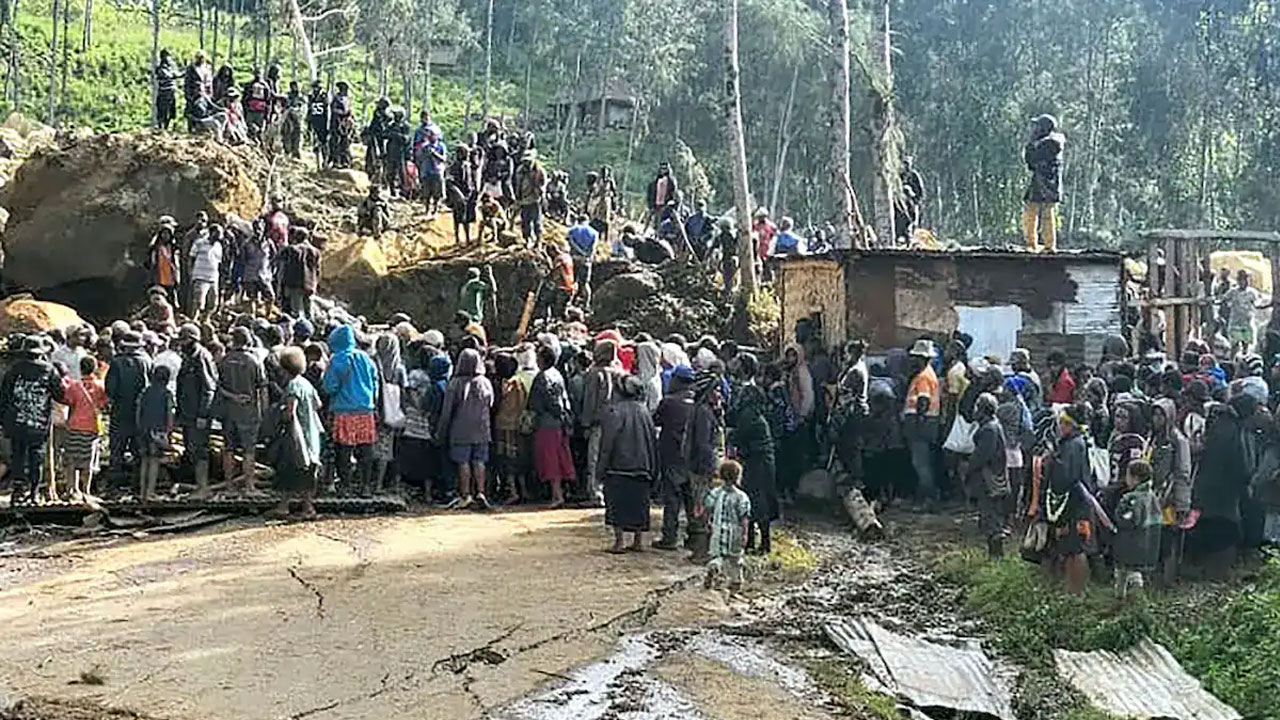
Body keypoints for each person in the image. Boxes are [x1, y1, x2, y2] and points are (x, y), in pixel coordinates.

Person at [0, 336, 66, 505]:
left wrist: (3, 420)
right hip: (39, 424)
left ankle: (17, 492)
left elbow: (4, 396)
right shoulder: (50, 370)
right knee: (37, 457)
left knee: (18, 456)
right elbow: (60, 394)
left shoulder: (13, 370)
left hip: (17, 423)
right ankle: (34, 492)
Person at [599, 375, 659, 553]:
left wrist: (601, 467)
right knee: (639, 504)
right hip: (642, 465)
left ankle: (619, 542)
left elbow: (607, 443)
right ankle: (638, 541)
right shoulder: (644, 411)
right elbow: (652, 440)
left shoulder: (614, 411)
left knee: (617, 504)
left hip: (619, 466)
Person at [268, 345, 323, 520]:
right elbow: (318, 404)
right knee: (307, 474)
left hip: (296, 436)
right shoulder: (306, 383)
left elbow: (290, 411)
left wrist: (278, 414)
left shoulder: (292, 386)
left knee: (288, 471)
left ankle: (285, 506)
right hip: (311, 434)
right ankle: (307, 507)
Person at [437, 348, 494, 510]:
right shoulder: (485, 382)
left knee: (463, 462)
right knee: (480, 461)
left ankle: (466, 495)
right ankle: (481, 493)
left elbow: (447, 411)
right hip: (482, 428)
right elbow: (490, 404)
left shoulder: (455, 383)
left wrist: (441, 431)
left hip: (460, 429)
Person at [730, 372, 778, 555]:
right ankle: (759, 542)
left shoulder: (748, 415)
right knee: (759, 500)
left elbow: (738, 436)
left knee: (754, 501)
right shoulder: (756, 413)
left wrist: (730, 436)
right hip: (763, 460)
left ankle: (755, 542)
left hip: (756, 462)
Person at [217, 327, 266, 495]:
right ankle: (249, 486)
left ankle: (229, 486)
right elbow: (262, 387)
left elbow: (218, 387)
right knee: (249, 450)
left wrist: (232, 396)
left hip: (228, 411)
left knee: (228, 448)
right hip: (249, 411)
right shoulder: (254, 361)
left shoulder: (224, 360)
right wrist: (263, 411)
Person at [1149, 398, 1191, 584]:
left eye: (1161, 415)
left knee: (1168, 540)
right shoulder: (1152, 437)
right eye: (1155, 414)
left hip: (1168, 497)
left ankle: (1167, 580)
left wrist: (1182, 503)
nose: (1157, 419)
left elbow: (1182, 472)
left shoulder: (1178, 440)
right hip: (1151, 494)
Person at [683, 371, 723, 562]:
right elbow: (703, 445)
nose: (719, 394)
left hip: (700, 466)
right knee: (703, 508)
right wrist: (712, 468)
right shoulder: (703, 413)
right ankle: (702, 551)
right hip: (702, 468)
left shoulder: (704, 411)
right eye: (716, 390)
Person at [581, 339, 622, 507]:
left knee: (595, 459)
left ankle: (596, 493)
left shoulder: (594, 374)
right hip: (616, 422)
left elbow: (589, 402)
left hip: (598, 424)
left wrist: (585, 423)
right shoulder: (619, 373)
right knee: (612, 458)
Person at [1113, 460, 1162, 598]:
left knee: (1127, 573)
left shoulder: (1133, 499)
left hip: (1131, 544)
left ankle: (1129, 599)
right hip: (1147, 545)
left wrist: (1119, 513)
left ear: (1135, 478)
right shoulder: (1153, 496)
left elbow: (1127, 520)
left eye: (1127, 476)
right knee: (1132, 572)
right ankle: (1128, 600)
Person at [105, 331, 151, 476]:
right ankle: (137, 482)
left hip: (120, 411)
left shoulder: (117, 362)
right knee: (138, 451)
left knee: (117, 449)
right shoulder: (147, 361)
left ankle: (115, 482)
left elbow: (110, 389)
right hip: (141, 413)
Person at [969, 393, 1009, 558]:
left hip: (988, 479)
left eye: (977, 407)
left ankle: (996, 556)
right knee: (990, 515)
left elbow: (981, 457)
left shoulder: (988, 430)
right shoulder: (993, 426)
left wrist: (969, 469)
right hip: (992, 477)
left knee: (990, 516)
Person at [61, 355, 106, 503]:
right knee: (88, 461)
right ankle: (86, 490)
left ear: (80, 369)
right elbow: (103, 404)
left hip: (74, 425)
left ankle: (72, 489)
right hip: (91, 427)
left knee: (72, 459)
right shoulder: (100, 386)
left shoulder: (74, 386)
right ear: (94, 369)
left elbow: (68, 401)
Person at [903, 339, 941, 508]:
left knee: (921, 463)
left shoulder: (923, 377)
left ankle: (928, 499)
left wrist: (917, 423)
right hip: (926, 425)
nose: (912, 360)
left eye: (915, 357)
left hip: (921, 426)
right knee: (923, 462)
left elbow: (923, 402)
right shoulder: (928, 374)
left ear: (922, 358)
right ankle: (925, 497)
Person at [704, 459, 752, 592]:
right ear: (738, 476)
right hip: (734, 532)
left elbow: (708, 507)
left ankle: (713, 567)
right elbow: (744, 517)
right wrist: (745, 534)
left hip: (718, 531)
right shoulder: (741, 497)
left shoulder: (716, 492)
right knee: (735, 559)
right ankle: (736, 583)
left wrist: (708, 522)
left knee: (717, 556)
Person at [1022, 113, 1065, 252]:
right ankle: (1036, 244)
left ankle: (1044, 245)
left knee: (1041, 211)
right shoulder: (1049, 142)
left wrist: (1031, 143)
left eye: (1038, 126)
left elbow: (1032, 158)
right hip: (1044, 180)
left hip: (1045, 182)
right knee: (1035, 210)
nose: (1035, 130)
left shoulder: (1051, 143)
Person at [137, 364, 174, 502]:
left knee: (144, 460)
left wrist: (139, 427)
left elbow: (139, 410)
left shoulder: (145, 392)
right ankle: (151, 492)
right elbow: (169, 414)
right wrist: (169, 432)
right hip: (158, 431)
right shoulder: (167, 393)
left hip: (144, 429)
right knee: (154, 461)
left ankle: (142, 492)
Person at [279, 227, 322, 321]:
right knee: (309, 313)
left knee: (296, 313)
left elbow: (281, 267)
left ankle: (298, 332)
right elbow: (318, 271)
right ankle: (311, 331)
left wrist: (280, 286)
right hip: (310, 285)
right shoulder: (316, 252)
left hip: (294, 285)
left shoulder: (291, 249)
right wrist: (315, 284)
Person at [1221, 270, 1268, 353]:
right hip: (1235, 322)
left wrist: (1263, 306)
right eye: (1241, 280)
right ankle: (1233, 361)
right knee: (1234, 345)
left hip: (1247, 321)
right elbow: (1223, 299)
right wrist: (1227, 305)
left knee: (1246, 344)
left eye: (1246, 279)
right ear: (1238, 281)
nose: (1244, 282)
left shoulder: (1252, 292)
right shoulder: (1233, 292)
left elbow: (1257, 304)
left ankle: (1244, 359)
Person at [188, 223, 224, 321]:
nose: (220, 235)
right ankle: (194, 320)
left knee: (213, 302)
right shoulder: (199, 243)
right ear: (212, 232)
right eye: (218, 233)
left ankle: (205, 320)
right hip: (200, 276)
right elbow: (191, 257)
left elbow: (218, 262)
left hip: (213, 278)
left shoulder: (218, 246)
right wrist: (191, 271)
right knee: (199, 302)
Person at [241, 222, 276, 316]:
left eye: (260, 228)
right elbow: (242, 259)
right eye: (256, 228)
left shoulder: (268, 243)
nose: (258, 231)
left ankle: (267, 316)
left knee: (271, 297)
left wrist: (270, 270)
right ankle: (252, 317)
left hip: (264, 275)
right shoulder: (247, 243)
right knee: (252, 298)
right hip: (250, 275)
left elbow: (274, 257)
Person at [514, 149, 547, 246]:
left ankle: (538, 240)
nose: (526, 163)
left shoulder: (539, 171)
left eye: (528, 161)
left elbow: (543, 184)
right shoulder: (520, 170)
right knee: (525, 221)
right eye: (525, 161)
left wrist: (540, 191)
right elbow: (517, 185)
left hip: (535, 199)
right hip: (524, 199)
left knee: (536, 220)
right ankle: (527, 238)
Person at [148, 216, 182, 310]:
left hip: (170, 276)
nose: (165, 235)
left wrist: (177, 277)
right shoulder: (156, 246)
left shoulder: (173, 247)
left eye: (168, 233)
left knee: (172, 299)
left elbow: (176, 263)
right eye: (163, 233)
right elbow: (151, 259)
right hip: (159, 276)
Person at [446, 143, 476, 245]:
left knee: (467, 217)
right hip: (458, 195)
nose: (466, 154)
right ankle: (457, 238)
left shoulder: (468, 165)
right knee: (457, 217)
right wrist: (457, 194)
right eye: (464, 152)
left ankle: (467, 238)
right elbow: (449, 181)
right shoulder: (454, 166)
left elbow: (471, 179)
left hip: (468, 192)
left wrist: (473, 190)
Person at [567, 214, 599, 309]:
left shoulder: (572, 230)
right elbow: (593, 248)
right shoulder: (594, 233)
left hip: (574, 259)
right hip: (586, 260)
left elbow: (570, 242)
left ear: (578, 220)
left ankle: (569, 302)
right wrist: (587, 255)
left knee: (572, 282)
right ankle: (586, 305)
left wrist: (578, 251)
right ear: (587, 221)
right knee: (585, 283)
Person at [416, 120, 447, 216]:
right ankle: (427, 209)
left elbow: (444, 158)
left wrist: (434, 154)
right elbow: (419, 157)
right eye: (428, 134)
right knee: (426, 193)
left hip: (437, 171)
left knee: (437, 193)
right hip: (426, 171)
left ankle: (436, 208)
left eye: (432, 134)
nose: (429, 136)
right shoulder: (424, 146)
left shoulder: (441, 146)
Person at [383, 108, 412, 198]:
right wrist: (390, 133)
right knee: (390, 173)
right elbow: (384, 134)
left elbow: (406, 139)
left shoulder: (405, 126)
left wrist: (397, 135)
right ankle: (392, 190)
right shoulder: (391, 125)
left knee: (402, 173)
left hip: (401, 153)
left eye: (397, 116)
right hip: (391, 152)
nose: (396, 117)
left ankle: (404, 192)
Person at [896, 155, 924, 243]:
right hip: (901, 202)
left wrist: (914, 198)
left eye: (907, 163)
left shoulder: (914, 176)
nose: (906, 166)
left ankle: (910, 237)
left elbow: (920, 192)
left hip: (912, 202)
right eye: (904, 163)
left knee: (912, 220)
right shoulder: (899, 176)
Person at [646, 162, 680, 231]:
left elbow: (673, 194)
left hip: (666, 205)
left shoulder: (671, 181)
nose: (663, 170)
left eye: (665, 169)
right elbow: (651, 193)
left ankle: (659, 234)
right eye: (661, 168)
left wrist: (670, 203)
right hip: (656, 204)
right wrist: (651, 205)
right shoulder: (656, 181)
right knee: (650, 218)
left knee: (660, 222)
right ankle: (644, 232)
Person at [328, 82, 355, 168]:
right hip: (336, 124)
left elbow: (350, 111)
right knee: (336, 143)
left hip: (346, 125)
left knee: (345, 143)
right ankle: (336, 161)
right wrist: (343, 114)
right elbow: (334, 110)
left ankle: (345, 161)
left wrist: (351, 119)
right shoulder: (336, 99)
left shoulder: (348, 99)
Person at [154, 49, 181, 130]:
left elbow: (177, 74)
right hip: (163, 92)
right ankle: (161, 127)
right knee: (163, 111)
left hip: (171, 92)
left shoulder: (171, 66)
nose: (168, 58)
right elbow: (170, 75)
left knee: (171, 112)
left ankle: (166, 127)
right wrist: (175, 74)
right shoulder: (160, 68)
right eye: (167, 56)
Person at [585, 170, 614, 245]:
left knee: (605, 221)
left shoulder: (608, 182)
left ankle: (606, 239)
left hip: (604, 202)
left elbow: (606, 192)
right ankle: (599, 237)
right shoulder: (598, 183)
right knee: (596, 219)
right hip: (598, 202)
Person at [242, 69, 272, 140]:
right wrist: (245, 107)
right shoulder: (249, 85)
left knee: (259, 129)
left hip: (261, 110)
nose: (258, 75)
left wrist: (267, 113)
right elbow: (245, 97)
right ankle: (249, 140)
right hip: (251, 110)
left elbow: (268, 100)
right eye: (256, 73)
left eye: (259, 73)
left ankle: (258, 142)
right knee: (249, 126)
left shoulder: (265, 86)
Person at [306, 80, 330, 167]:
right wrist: (308, 123)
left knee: (323, 142)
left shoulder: (324, 96)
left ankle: (325, 161)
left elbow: (327, 111)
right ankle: (318, 163)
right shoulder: (311, 97)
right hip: (314, 121)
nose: (316, 89)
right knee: (316, 143)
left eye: (318, 88)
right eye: (315, 88)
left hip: (322, 121)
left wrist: (328, 124)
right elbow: (309, 110)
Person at [282, 81, 305, 158]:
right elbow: (284, 105)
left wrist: (297, 110)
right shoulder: (287, 95)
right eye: (293, 86)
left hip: (298, 117)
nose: (294, 88)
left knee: (297, 134)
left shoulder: (301, 97)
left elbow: (304, 106)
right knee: (287, 133)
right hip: (288, 117)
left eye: (296, 86)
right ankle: (287, 150)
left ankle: (296, 151)